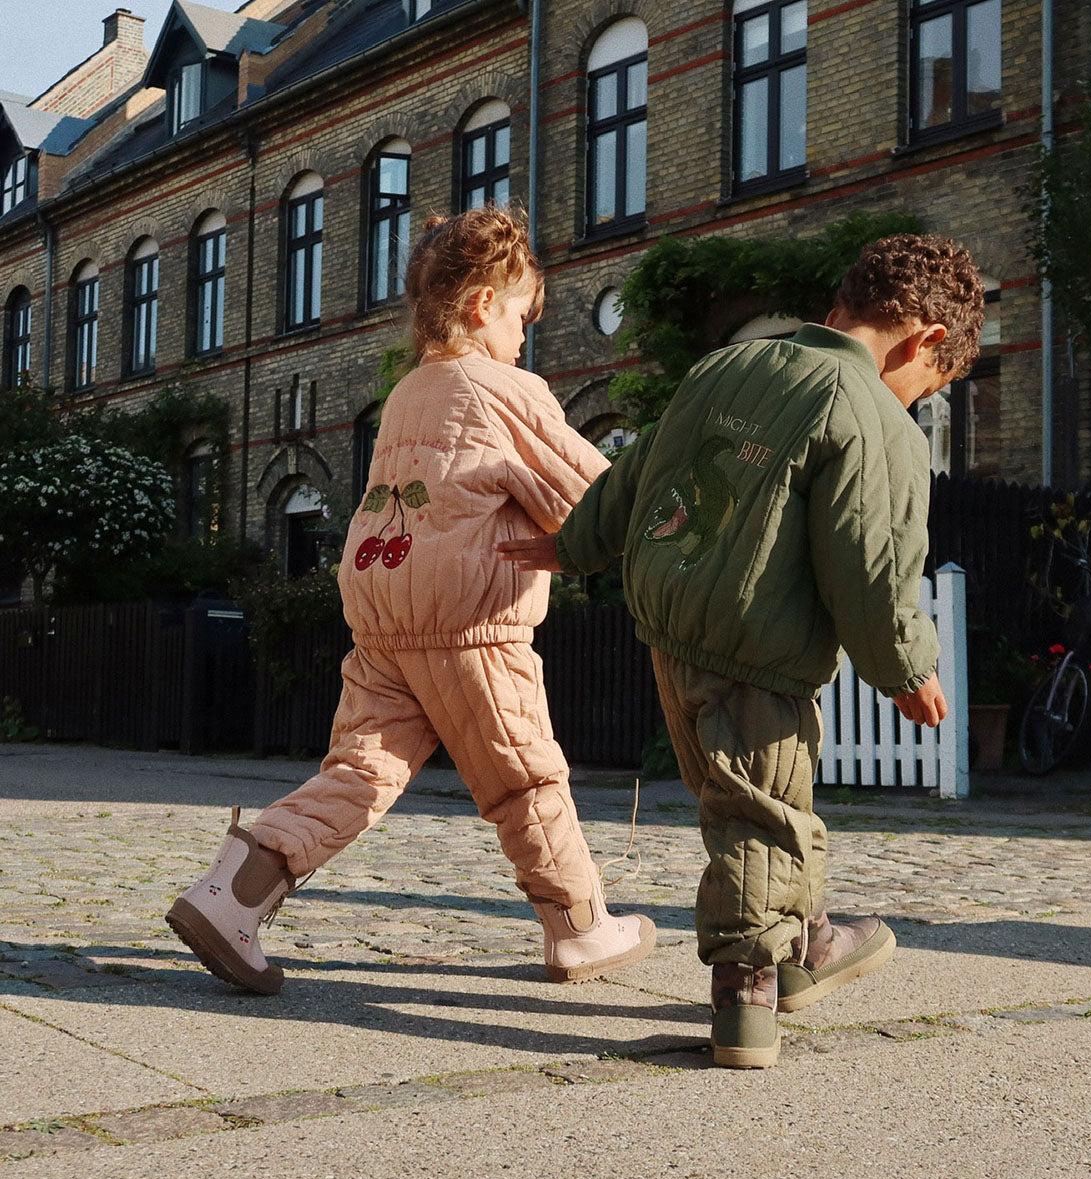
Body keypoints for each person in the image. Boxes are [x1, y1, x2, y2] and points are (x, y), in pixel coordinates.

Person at [499, 233, 984, 1068]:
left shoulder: (724, 367)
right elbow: (869, 561)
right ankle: (748, 993)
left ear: (836, 312)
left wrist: (577, 543)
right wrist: (904, 665)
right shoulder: (870, 415)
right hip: (756, 647)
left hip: (671, 618)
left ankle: (807, 942)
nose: (912, 402)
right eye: (925, 389)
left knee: (746, 797)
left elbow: (642, 466)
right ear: (926, 341)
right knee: (760, 814)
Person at [167, 207, 656, 995]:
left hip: (383, 610)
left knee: (359, 771)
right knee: (524, 777)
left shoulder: (409, 393)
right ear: (480, 306)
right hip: (469, 620)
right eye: (523, 315)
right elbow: (597, 496)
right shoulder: (505, 386)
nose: (526, 336)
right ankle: (579, 926)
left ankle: (232, 894)